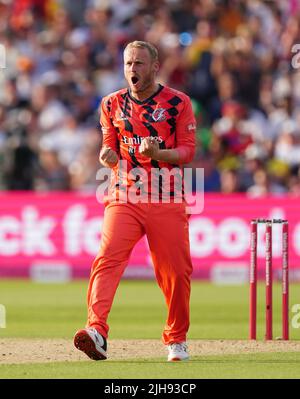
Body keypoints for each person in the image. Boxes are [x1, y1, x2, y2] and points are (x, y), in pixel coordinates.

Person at [73, 41, 196, 362]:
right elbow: (108, 148)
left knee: (175, 272)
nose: (132, 70)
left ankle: (176, 338)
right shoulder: (111, 103)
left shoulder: (177, 103)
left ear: (155, 67)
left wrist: (158, 154)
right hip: (124, 194)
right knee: (107, 259)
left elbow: (187, 151)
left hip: (166, 196)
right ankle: (96, 330)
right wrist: (107, 156)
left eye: (139, 64)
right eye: (128, 64)